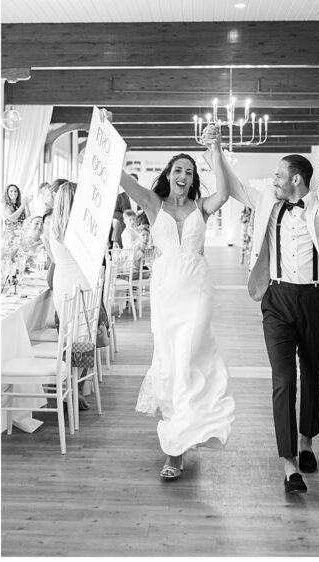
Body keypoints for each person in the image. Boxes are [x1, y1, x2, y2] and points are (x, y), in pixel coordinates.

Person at [211, 128, 319, 494]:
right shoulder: (267, 201)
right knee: (284, 378)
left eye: (278, 176)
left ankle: (307, 443)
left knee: (314, 371)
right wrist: (215, 148)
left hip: (316, 300)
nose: (274, 181)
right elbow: (234, 185)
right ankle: (289, 463)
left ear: (296, 180)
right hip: (277, 299)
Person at [118, 127, 236, 480]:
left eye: (189, 171)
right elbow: (123, 179)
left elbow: (226, 192)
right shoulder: (154, 205)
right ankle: (176, 443)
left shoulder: (202, 206)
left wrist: (215, 148)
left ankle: (180, 446)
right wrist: (107, 134)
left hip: (198, 290)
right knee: (170, 362)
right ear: (169, 175)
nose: (183, 175)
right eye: (178, 170)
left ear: (192, 178)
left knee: (191, 359)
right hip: (167, 291)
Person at [41, 183, 93, 409]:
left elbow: (53, 257)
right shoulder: (83, 226)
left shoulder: (51, 226)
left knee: (67, 336)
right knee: (84, 337)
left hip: (63, 281)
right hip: (83, 280)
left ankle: (66, 387)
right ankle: (76, 387)